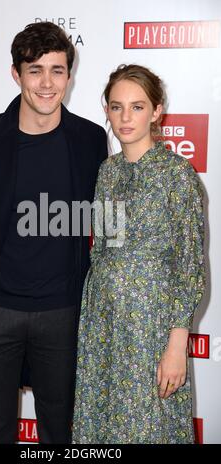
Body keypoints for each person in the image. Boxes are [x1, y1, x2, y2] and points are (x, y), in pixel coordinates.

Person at [0, 22, 107, 444]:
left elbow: (101, 224)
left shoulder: (90, 139)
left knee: (59, 432)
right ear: (16, 74)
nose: (47, 83)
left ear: (69, 75)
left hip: (64, 314)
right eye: (35, 70)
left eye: (57, 70)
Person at [72, 64, 205, 444]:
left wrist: (177, 344)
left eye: (137, 107)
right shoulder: (107, 171)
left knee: (149, 427)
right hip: (102, 321)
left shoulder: (177, 174)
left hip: (151, 325)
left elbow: (190, 265)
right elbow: (101, 250)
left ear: (157, 111)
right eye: (116, 107)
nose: (125, 117)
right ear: (107, 111)